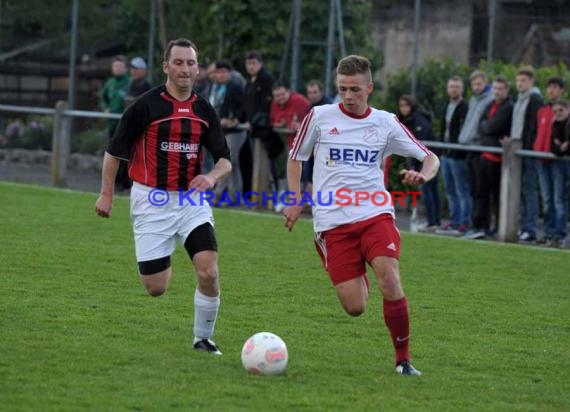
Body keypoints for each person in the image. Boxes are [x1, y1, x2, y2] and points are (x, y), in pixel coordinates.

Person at [284, 55, 440, 376]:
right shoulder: (319, 116)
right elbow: (296, 157)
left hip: (374, 214)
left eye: (355, 89)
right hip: (332, 222)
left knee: (391, 278)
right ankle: (358, 272)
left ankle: (403, 360)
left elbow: (429, 157)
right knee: (354, 307)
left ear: (369, 87)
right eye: (342, 89)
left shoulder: (385, 122)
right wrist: (294, 197)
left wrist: (423, 175)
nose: (348, 96)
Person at [94, 38, 232, 355]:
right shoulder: (145, 106)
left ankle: (203, 338)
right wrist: (106, 195)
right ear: (166, 66)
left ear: (198, 68)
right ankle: (163, 247)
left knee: (209, 270)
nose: (185, 69)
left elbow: (224, 159)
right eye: (179, 62)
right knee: (156, 288)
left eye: (191, 63)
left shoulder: (203, 109)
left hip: (191, 200)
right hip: (150, 200)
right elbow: (114, 153)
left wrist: (210, 176)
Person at [467, 75, 513, 239]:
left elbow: (493, 126)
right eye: (495, 88)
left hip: (497, 157)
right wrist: (487, 128)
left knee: (496, 195)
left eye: (500, 89)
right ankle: (481, 227)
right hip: (484, 154)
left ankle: (498, 227)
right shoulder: (490, 104)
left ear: (506, 90)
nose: (497, 92)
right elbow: (482, 125)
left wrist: (487, 128)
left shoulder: (508, 107)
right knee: (481, 192)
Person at [507, 66, 543, 242]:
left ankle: (531, 229)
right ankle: (524, 227)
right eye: (518, 80)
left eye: (523, 81)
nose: (520, 84)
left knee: (529, 191)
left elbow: (533, 127)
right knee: (520, 191)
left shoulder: (535, 99)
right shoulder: (520, 99)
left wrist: (527, 148)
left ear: (531, 82)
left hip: (527, 152)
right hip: (517, 151)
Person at [397, 94, 441, 230]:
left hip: (429, 160)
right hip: (420, 161)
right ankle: (433, 221)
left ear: (412, 106)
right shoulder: (404, 121)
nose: (404, 108)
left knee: (429, 189)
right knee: (429, 190)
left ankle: (434, 222)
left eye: (406, 105)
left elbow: (421, 145)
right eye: (401, 106)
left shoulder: (420, 120)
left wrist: (417, 166)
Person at [534, 77, 566, 244]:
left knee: (559, 198)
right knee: (547, 198)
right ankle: (548, 232)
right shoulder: (542, 110)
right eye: (550, 87)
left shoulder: (564, 110)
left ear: (561, 90)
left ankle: (560, 234)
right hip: (541, 158)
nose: (552, 90)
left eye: (555, 87)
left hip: (558, 160)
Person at [210, 59, 247, 203]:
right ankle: (236, 197)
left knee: (227, 161)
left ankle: (217, 195)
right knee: (233, 164)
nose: (220, 75)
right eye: (218, 72)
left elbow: (243, 106)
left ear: (229, 73)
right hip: (224, 131)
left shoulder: (235, 86)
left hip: (235, 131)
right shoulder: (218, 87)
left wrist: (235, 119)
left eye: (223, 72)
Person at [436, 76, 469, 235]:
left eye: (457, 86)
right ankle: (454, 221)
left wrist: (458, 150)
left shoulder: (465, 107)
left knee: (462, 190)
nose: (454, 89)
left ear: (461, 89)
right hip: (446, 154)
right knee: (450, 190)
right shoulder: (446, 105)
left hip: (458, 155)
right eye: (451, 86)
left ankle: (464, 222)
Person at [99, 55, 131, 191]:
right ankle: (114, 182)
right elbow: (103, 98)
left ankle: (125, 182)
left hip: (126, 124)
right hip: (112, 124)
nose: (117, 69)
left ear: (125, 68)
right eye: (115, 66)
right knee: (112, 153)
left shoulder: (130, 82)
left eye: (120, 66)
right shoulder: (110, 83)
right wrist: (105, 107)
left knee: (125, 153)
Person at [545, 100, 570, 247]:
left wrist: (563, 147)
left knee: (559, 200)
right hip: (558, 165)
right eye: (555, 111)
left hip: (564, 165)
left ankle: (560, 234)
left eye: (561, 110)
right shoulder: (555, 125)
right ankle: (556, 234)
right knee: (556, 199)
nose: (558, 114)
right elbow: (554, 148)